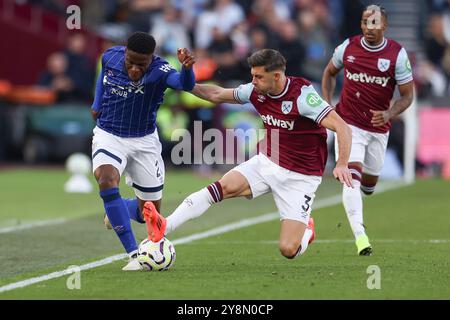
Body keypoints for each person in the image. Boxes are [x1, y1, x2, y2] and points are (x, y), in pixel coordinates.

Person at [143, 48, 353, 260]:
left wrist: (342, 163)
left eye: (259, 77)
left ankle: (306, 231)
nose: (253, 81)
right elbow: (216, 94)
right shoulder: (254, 91)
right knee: (222, 187)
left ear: (277, 76)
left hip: (301, 176)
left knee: (289, 250)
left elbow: (342, 127)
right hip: (268, 162)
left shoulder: (303, 96)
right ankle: (165, 225)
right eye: (253, 76)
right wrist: (183, 83)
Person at [91, 31, 195, 270]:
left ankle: (121, 209)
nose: (135, 69)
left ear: (152, 58)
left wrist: (187, 69)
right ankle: (133, 252)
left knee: (148, 216)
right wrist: (97, 103)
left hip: (144, 141)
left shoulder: (161, 70)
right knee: (106, 180)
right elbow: (103, 77)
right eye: (131, 62)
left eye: (142, 64)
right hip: (109, 134)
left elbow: (184, 85)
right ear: (125, 52)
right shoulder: (110, 57)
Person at [321, 4, 414, 255]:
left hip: (378, 128)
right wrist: (327, 106)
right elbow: (329, 72)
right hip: (348, 123)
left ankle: (365, 187)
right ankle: (361, 236)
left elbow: (407, 96)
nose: (369, 27)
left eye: (374, 23)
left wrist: (390, 113)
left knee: (369, 186)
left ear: (384, 25)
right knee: (350, 177)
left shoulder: (397, 54)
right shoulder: (348, 47)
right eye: (365, 22)